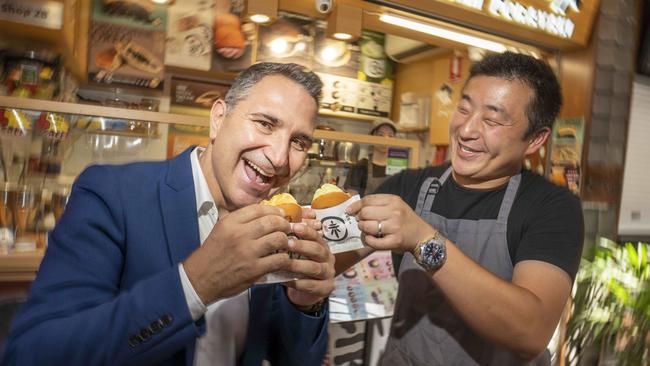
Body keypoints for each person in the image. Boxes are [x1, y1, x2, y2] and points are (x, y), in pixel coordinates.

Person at [3, 62, 336, 366]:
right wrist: (194, 284)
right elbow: (33, 353)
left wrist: (305, 304)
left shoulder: (277, 225)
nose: (279, 157)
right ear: (219, 118)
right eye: (265, 124)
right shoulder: (112, 194)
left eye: (299, 142)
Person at [344, 52, 584, 365]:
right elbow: (332, 258)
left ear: (535, 140)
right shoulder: (410, 187)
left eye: (493, 120)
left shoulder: (551, 207)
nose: (466, 130)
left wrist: (424, 241)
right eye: (464, 108)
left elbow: (531, 331)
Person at [343, 117, 397, 197]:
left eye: (390, 135)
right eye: (380, 135)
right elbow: (351, 199)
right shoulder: (360, 166)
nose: (386, 139)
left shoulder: (398, 166)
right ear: (371, 137)